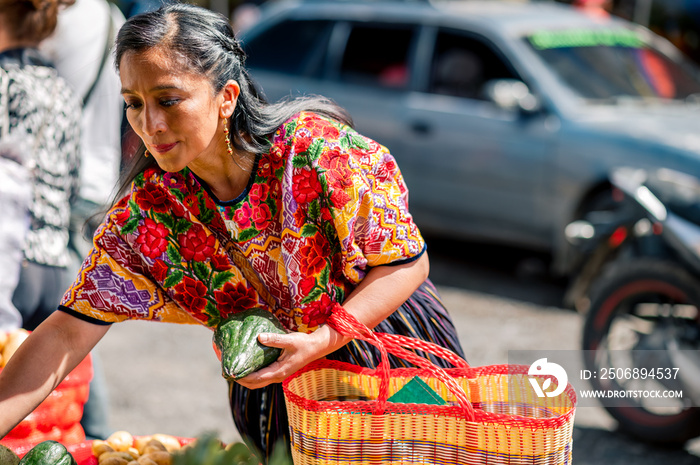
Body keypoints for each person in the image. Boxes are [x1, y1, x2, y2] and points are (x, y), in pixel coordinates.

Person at [0, 3, 465, 459]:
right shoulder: (152, 210)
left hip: (391, 361)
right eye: (133, 103)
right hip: (279, 394)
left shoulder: (315, 152)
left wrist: (324, 339)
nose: (150, 124)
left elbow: (406, 262)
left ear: (226, 98)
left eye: (168, 99)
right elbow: (64, 335)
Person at [38, 0, 127, 440]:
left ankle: (93, 434)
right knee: (81, 311)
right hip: (98, 182)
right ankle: (89, 433)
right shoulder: (111, 17)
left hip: (59, 185)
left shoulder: (52, 16)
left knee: (72, 321)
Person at [0, 0, 82, 334]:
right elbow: (72, 181)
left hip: (9, 261)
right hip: (55, 268)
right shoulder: (63, 89)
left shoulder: (4, 80)